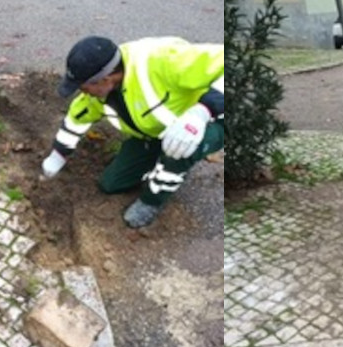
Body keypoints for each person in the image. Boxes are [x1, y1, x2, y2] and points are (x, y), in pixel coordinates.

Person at [41, 35, 224, 228]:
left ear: (104, 79)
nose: (82, 92)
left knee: (179, 151)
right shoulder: (100, 92)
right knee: (110, 184)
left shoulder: (164, 61)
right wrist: (58, 155)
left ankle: (152, 200)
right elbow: (76, 119)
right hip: (154, 133)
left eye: (84, 87)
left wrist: (202, 112)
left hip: (209, 122)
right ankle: (160, 158)